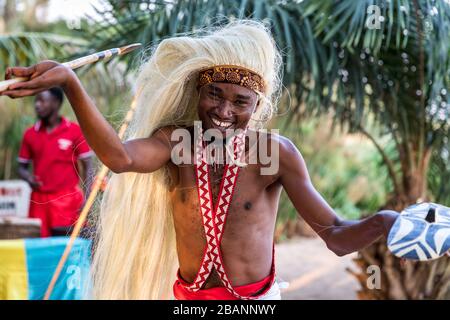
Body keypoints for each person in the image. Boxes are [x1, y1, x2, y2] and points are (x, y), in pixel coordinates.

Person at [2, 21, 399, 300]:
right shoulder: (176, 143)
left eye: (240, 101)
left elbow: (335, 236)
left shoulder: (276, 155)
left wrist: (385, 222)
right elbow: (120, 158)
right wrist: (71, 83)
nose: (224, 110)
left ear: (257, 105)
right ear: (198, 93)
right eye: (214, 94)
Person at [16, 87, 94, 237]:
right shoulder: (30, 134)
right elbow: (22, 168)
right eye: (36, 101)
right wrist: (28, 178)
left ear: (56, 103)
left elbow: (88, 165)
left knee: (67, 245)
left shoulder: (74, 131)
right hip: (38, 202)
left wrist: (88, 197)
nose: (37, 105)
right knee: (40, 247)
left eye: (42, 100)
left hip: (67, 200)